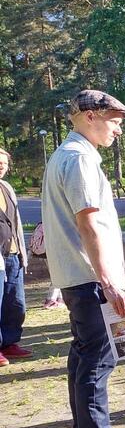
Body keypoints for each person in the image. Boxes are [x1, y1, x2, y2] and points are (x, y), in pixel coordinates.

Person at [41, 90, 125, 428]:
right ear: (90, 116)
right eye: (115, 121)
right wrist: (108, 281)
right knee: (97, 361)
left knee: (84, 358)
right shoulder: (79, 159)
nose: (119, 130)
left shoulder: (69, 156)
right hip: (89, 279)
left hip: (79, 277)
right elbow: (88, 223)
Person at [0, 148, 32, 367]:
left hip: (13, 255)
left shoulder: (6, 187)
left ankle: (9, 342)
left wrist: (23, 252)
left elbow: (17, 222)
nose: (2, 166)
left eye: (4, 163)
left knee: (16, 303)